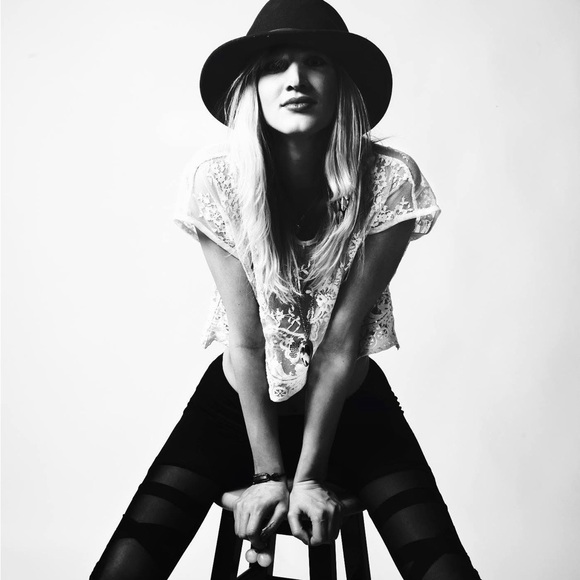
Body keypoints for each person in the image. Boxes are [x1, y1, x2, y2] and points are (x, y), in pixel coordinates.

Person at [91, 0, 481, 578]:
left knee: (444, 570)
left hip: (350, 405)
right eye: (276, 65)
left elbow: (341, 345)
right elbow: (247, 343)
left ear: (341, 84)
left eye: (315, 62)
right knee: (125, 566)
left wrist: (311, 476)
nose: (295, 79)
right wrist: (270, 475)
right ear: (253, 88)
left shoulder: (389, 179)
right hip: (239, 405)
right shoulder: (216, 179)